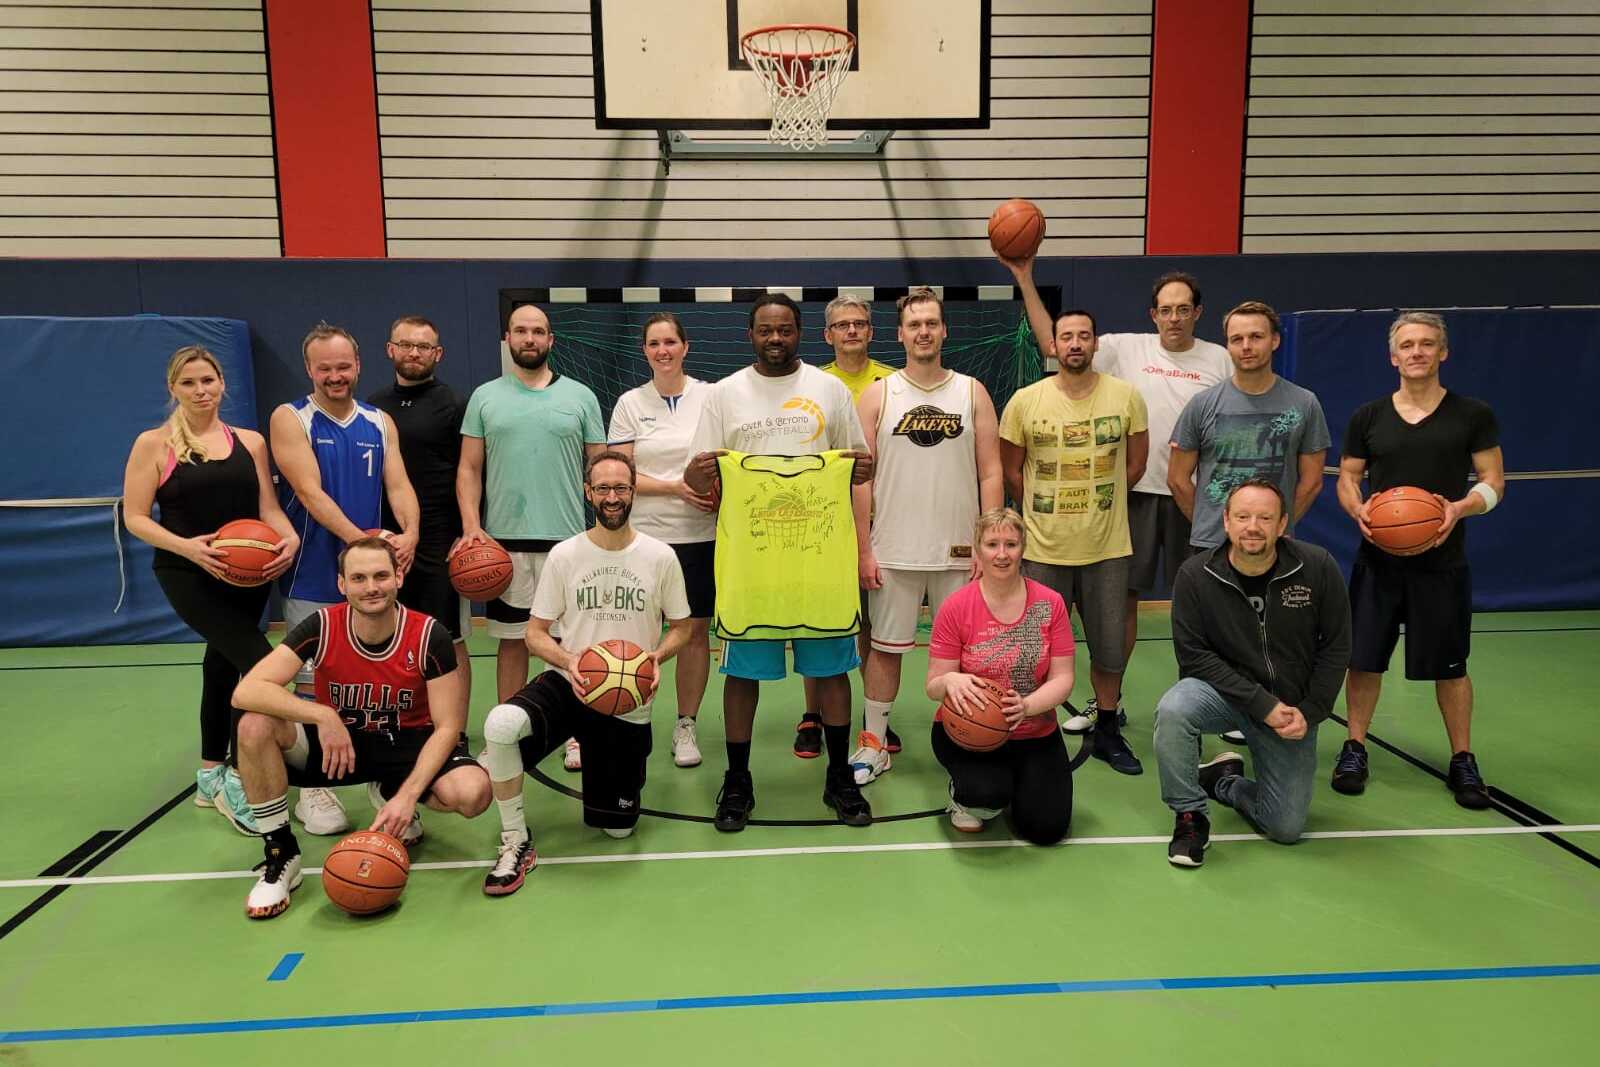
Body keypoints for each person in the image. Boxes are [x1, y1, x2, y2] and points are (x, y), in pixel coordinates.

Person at [685, 293, 876, 831]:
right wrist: (704, 472)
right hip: (751, 563)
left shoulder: (829, 390)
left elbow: (859, 464)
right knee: (742, 672)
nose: (775, 338)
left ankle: (839, 776)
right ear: (750, 335)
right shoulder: (724, 394)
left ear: (800, 333)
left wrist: (860, 470)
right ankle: (738, 779)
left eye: (785, 329)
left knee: (832, 668)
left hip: (820, 559)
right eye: (766, 330)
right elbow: (694, 477)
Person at [232, 536, 491, 919]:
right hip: (340, 747)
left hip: (407, 745)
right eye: (359, 578)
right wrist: (322, 715)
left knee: (474, 793)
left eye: (381, 576)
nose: (371, 587)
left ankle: (391, 790)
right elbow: (247, 691)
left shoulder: (428, 635)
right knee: (253, 726)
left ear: (399, 577)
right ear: (342, 584)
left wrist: (408, 797)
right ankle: (281, 854)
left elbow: (448, 727)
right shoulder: (321, 626)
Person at [479, 452, 692, 896]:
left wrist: (657, 656)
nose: (612, 497)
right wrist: (568, 660)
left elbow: (683, 627)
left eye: (621, 488)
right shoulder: (565, 555)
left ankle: (611, 789)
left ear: (633, 491)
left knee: (617, 829)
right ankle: (515, 839)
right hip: (571, 681)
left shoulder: (661, 557)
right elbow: (535, 634)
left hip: (626, 698)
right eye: (603, 488)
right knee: (500, 724)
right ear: (588, 492)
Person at [1332, 312, 1505, 809]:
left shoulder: (1472, 414)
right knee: (1363, 659)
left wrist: (1459, 508)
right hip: (1378, 561)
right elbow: (1348, 477)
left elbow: (1494, 481)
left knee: (1451, 667)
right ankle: (1355, 747)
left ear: (1442, 352)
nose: (1417, 352)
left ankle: (1462, 759)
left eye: (1427, 344)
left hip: (1442, 563)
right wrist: (1358, 509)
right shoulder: (1368, 417)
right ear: (1393, 357)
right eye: (1407, 345)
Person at [123, 346, 299, 833]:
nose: (201, 391)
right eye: (189, 383)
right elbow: (134, 517)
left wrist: (288, 537)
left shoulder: (250, 442)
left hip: (248, 575)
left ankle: (209, 776)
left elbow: (267, 507)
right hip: (188, 572)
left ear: (222, 383)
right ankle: (243, 777)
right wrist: (189, 548)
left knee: (221, 667)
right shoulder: (154, 444)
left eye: (208, 380)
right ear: (173, 388)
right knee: (262, 666)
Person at [271, 321, 421, 836]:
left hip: (369, 573)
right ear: (309, 369)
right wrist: (364, 544)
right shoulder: (291, 418)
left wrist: (410, 533)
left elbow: (398, 484)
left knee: (380, 680)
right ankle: (313, 786)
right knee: (311, 682)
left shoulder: (379, 421)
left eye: (343, 366)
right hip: (315, 571)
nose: (335, 376)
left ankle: (382, 774)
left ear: (358, 365)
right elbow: (309, 493)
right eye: (324, 368)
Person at [1156, 479, 1351, 867]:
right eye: (1243, 516)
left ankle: (1223, 781)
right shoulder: (1195, 575)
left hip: (1289, 707)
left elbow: (1337, 646)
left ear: (1282, 524)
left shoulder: (1317, 567)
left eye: (1265, 518)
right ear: (1226, 521)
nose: (1253, 527)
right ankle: (1190, 816)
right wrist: (1262, 705)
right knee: (1175, 709)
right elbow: (1194, 657)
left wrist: (1310, 711)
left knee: (1285, 827)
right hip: (1223, 696)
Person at [851, 287, 1003, 783]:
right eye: (914, 324)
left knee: (967, 655)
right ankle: (874, 743)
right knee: (884, 649)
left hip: (959, 552)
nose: (923, 332)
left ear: (944, 330)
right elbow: (860, 479)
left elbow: (990, 471)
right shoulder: (879, 394)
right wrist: (864, 548)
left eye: (931, 323)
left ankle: (965, 742)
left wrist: (989, 544)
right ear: (900, 334)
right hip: (894, 550)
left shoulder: (972, 392)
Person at [999, 300, 1149, 776]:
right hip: (1044, 549)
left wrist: (1098, 506)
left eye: (1084, 336)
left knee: (1109, 649)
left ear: (1095, 343)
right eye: (1067, 337)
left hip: (1107, 548)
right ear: (1053, 345)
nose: (1076, 344)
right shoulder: (1026, 401)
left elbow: (1136, 464)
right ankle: (1032, 729)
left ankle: (1107, 728)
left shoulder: (1126, 397)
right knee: (1036, 651)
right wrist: (1046, 514)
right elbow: (1012, 471)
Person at [456, 302, 605, 773]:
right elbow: (469, 468)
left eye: (538, 331)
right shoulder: (485, 397)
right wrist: (472, 527)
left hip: (568, 542)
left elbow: (600, 469)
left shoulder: (581, 396)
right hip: (503, 545)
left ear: (550, 340)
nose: (529, 339)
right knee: (513, 642)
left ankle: (575, 731)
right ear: (508, 338)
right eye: (520, 330)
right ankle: (509, 732)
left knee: (568, 641)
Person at [926, 508, 1075, 842]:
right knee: (985, 795)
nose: (1002, 554)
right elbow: (933, 686)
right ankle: (964, 794)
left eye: (1011, 544)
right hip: (970, 731)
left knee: (1046, 830)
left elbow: (1063, 678)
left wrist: (1027, 706)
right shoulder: (956, 606)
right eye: (992, 544)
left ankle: (1017, 782)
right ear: (978, 549)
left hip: (1034, 730)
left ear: (1023, 548)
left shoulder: (1050, 603)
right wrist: (950, 680)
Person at [608, 313, 715, 769]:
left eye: (670, 341)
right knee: (634, 631)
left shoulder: (711, 396)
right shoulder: (630, 403)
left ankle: (686, 724)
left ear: (685, 347)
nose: (663, 350)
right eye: (654, 343)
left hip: (701, 536)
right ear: (645, 351)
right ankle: (623, 716)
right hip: (645, 539)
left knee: (694, 633)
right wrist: (675, 487)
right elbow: (620, 472)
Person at [795, 295, 899, 758]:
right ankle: (812, 715)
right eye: (842, 325)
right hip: (822, 524)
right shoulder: (814, 385)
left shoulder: (893, 384)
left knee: (872, 626)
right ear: (827, 335)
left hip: (881, 523)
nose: (851, 330)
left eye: (859, 323)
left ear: (871, 332)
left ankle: (874, 720)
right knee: (819, 623)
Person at [367, 314, 472, 731]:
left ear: (438, 354)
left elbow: (470, 473)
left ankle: (454, 733)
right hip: (387, 541)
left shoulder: (455, 405)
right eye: (406, 344)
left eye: (423, 346)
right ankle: (406, 725)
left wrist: (466, 531)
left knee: (447, 640)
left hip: (439, 542)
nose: (414, 353)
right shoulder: (372, 407)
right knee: (392, 637)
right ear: (390, 349)